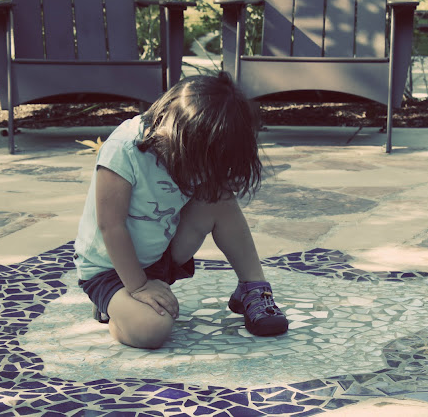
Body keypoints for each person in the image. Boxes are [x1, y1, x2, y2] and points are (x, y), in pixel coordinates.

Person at [73, 72, 288, 349]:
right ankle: (114, 310)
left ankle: (253, 287)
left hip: (159, 257)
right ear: (176, 133)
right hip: (110, 269)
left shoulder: (199, 148)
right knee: (151, 329)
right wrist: (139, 287)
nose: (200, 173)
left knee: (218, 198)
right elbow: (110, 226)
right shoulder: (124, 149)